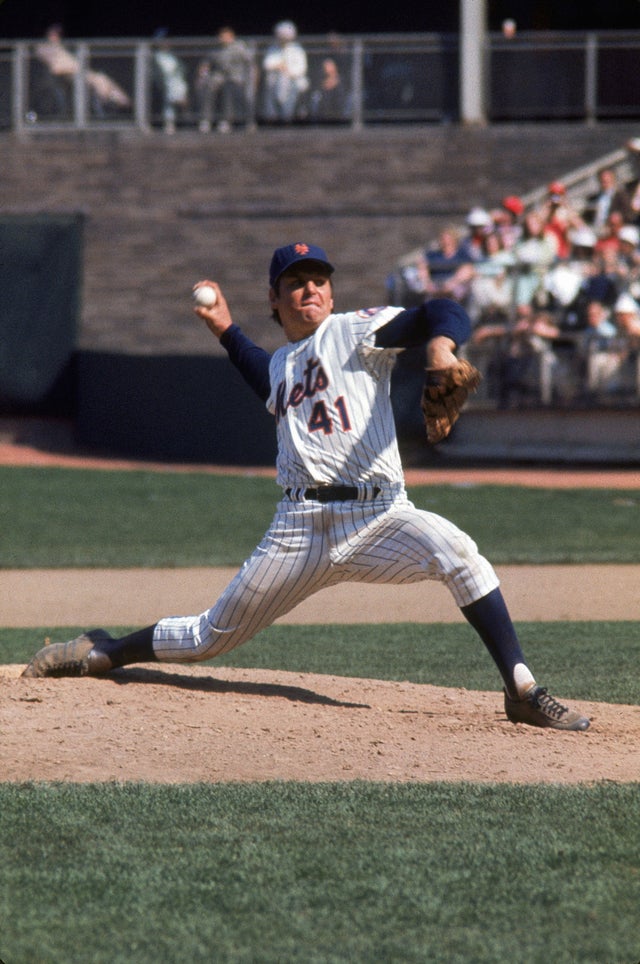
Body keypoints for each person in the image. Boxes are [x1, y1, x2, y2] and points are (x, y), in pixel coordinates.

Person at [21, 241, 590, 732]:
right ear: (276, 298)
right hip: (298, 531)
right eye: (295, 282)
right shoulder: (282, 366)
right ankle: (105, 650)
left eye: (319, 280)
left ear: (333, 294)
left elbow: (440, 308)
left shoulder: (356, 331)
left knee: (461, 554)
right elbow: (254, 366)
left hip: (382, 518)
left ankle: (521, 691)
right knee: (207, 637)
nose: (310, 289)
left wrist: (441, 347)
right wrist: (222, 325)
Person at [34, 23, 130, 119]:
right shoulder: (45, 47)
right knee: (99, 80)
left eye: (58, 34)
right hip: (67, 74)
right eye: (54, 34)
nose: (57, 36)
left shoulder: (62, 47)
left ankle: (121, 101)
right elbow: (55, 66)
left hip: (79, 72)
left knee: (102, 78)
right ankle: (115, 101)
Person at [195, 26, 253, 133]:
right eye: (221, 36)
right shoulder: (216, 49)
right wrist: (202, 75)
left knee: (228, 89)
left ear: (232, 37)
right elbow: (206, 64)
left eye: (226, 36)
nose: (223, 39)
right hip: (219, 76)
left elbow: (250, 63)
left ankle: (226, 120)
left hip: (236, 77)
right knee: (209, 87)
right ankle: (206, 120)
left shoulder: (239, 47)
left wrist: (251, 78)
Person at [261, 21, 309, 122]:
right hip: (275, 81)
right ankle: (272, 118)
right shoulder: (273, 48)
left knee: (292, 91)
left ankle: (287, 117)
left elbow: (301, 69)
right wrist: (278, 66)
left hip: (293, 81)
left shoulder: (297, 50)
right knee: (271, 89)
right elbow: (266, 64)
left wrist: (288, 71)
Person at [152, 29, 189, 133]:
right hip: (163, 84)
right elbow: (156, 75)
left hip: (178, 83)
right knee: (171, 90)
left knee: (180, 86)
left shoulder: (173, 56)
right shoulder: (155, 56)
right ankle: (169, 123)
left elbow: (182, 70)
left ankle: (184, 119)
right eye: (163, 40)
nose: (166, 43)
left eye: (167, 40)